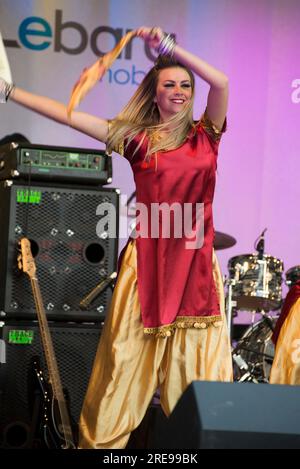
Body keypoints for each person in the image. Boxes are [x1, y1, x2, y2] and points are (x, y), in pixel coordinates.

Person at [0, 26, 233, 449]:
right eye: (169, 85)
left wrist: (172, 49)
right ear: (155, 92)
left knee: (202, 385)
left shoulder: (207, 135)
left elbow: (221, 82)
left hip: (196, 274)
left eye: (184, 85)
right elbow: (65, 113)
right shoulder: (138, 140)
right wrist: (9, 90)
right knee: (121, 375)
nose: (179, 91)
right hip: (145, 271)